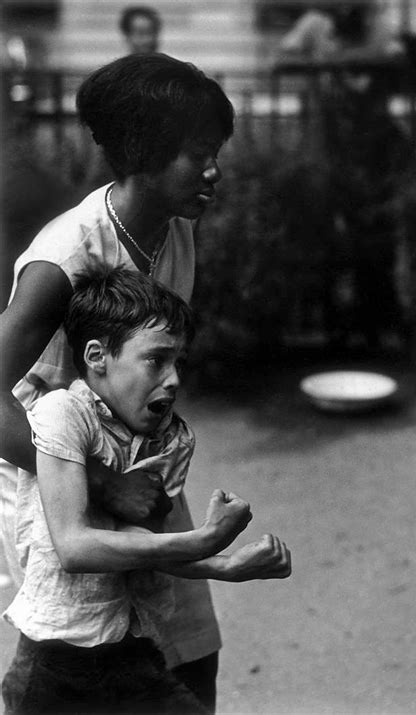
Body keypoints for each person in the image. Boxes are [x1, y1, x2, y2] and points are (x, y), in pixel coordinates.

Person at [0, 52, 235, 711]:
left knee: (192, 650)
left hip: (137, 472)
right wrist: (106, 484)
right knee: (93, 676)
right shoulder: (65, 259)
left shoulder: (176, 232)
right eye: (197, 153)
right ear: (144, 152)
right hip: (55, 480)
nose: (214, 169)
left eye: (216, 151)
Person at [2, 267, 291, 715]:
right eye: (156, 360)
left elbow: (140, 543)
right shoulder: (62, 414)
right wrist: (204, 542)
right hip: (57, 663)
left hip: (134, 651)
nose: (173, 379)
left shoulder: (172, 438)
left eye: (180, 363)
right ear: (97, 356)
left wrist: (223, 565)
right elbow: (74, 548)